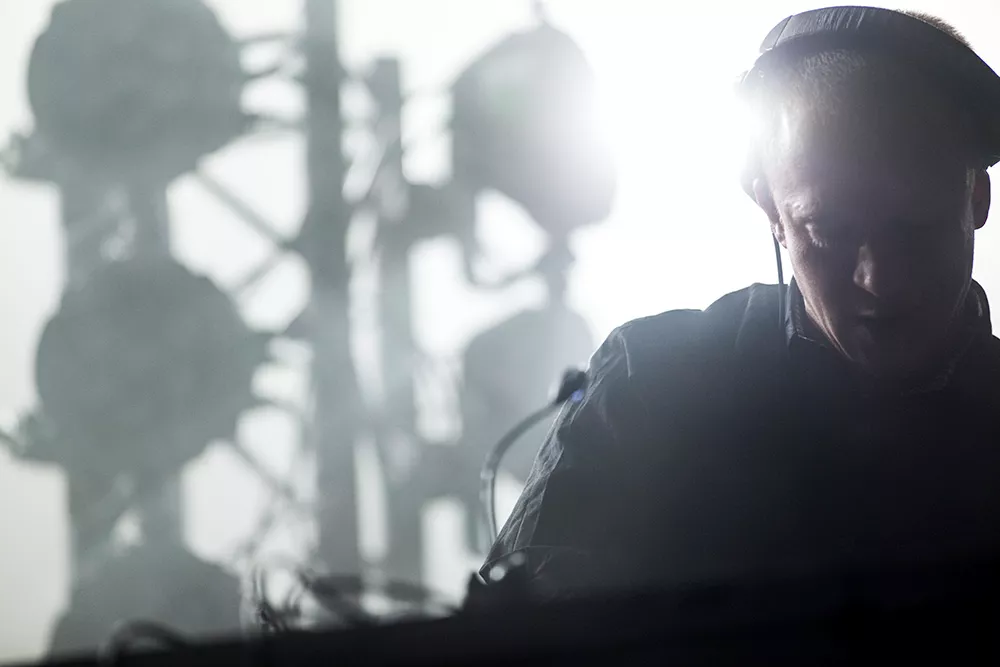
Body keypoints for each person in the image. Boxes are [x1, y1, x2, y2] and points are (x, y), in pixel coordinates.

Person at [482, 7, 1000, 599]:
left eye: (914, 227)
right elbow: (517, 630)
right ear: (771, 210)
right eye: (829, 230)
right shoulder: (649, 387)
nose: (878, 280)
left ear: (977, 197)